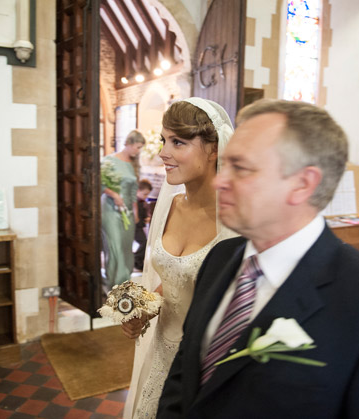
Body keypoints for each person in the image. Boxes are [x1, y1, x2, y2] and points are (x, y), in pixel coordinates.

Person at [157, 99, 359, 418]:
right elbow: (184, 378)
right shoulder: (221, 259)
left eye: (241, 168)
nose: (221, 180)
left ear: (302, 185)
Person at [122, 98, 237, 418]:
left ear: (214, 148)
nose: (163, 153)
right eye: (163, 140)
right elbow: (174, 279)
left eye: (178, 142)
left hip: (204, 364)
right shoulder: (170, 206)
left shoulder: (234, 221)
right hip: (161, 351)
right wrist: (143, 309)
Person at [101, 130, 145, 290]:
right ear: (129, 143)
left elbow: (133, 192)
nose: (138, 151)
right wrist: (114, 195)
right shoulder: (109, 160)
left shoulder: (132, 164)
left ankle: (124, 282)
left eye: (140, 148)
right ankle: (113, 284)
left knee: (126, 247)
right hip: (111, 209)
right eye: (137, 147)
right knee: (115, 246)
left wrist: (136, 213)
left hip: (128, 211)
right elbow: (100, 183)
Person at [133, 179, 153, 271]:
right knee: (144, 242)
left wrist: (146, 217)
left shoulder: (141, 201)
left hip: (139, 225)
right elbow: (135, 213)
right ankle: (136, 260)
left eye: (147, 194)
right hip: (135, 226)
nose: (146, 196)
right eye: (145, 194)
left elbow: (144, 212)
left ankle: (138, 261)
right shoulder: (135, 201)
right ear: (138, 191)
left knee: (144, 242)